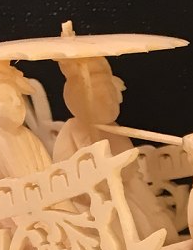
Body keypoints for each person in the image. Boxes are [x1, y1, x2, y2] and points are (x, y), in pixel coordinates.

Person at [53, 54, 174, 239]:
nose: (110, 103)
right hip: (94, 201)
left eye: (111, 96)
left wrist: (150, 204)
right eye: (101, 99)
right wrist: (96, 183)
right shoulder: (71, 131)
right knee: (118, 225)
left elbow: (131, 173)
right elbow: (63, 177)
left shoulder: (114, 130)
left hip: (126, 191)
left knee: (152, 218)